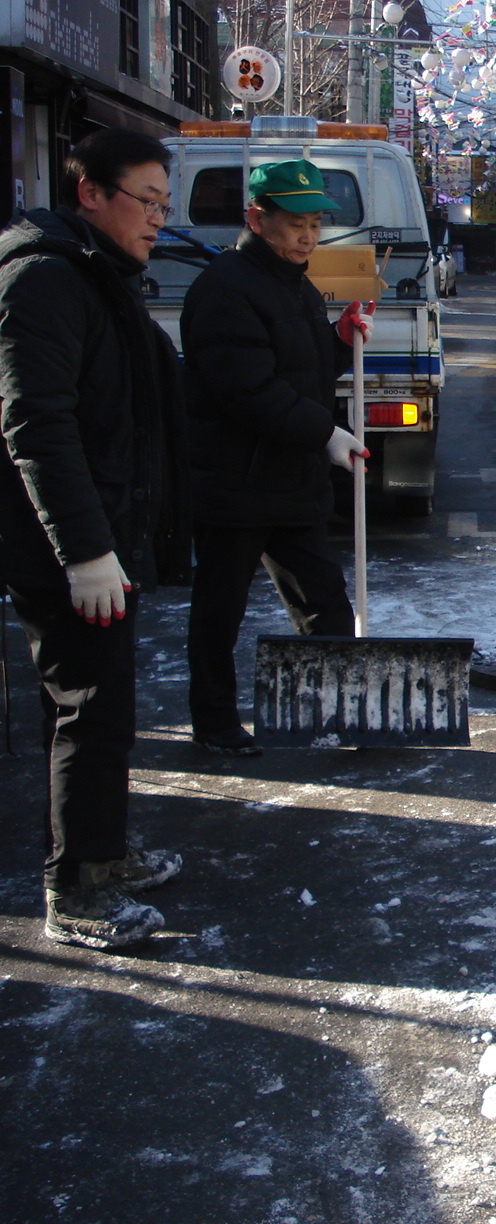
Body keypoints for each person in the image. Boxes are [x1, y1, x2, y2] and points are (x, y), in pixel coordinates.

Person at [0, 129, 190, 949]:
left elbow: (158, 389)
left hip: (110, 530)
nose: (156, 219)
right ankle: (77, 887)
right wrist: (82, 551)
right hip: (69, 547)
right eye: (144, 201)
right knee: (85, 708)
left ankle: (105, 852)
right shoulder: (44, 281)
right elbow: (36, 426)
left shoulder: (101, 277)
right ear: (89, 193)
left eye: (163, 205)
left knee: (104, 707)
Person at [182, 159, 373, 757]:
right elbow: (249, 391)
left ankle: (343, 713)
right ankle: (214, 722)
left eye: (315, 224)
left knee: (325, 603)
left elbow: (301, 372)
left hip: (290, 483)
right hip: (234, 483)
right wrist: (326, 433)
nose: (308, 237)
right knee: (220, 610)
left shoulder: (296, 285)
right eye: (295, 224)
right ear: (256, 218)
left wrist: (338, 341)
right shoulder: (226, 289)